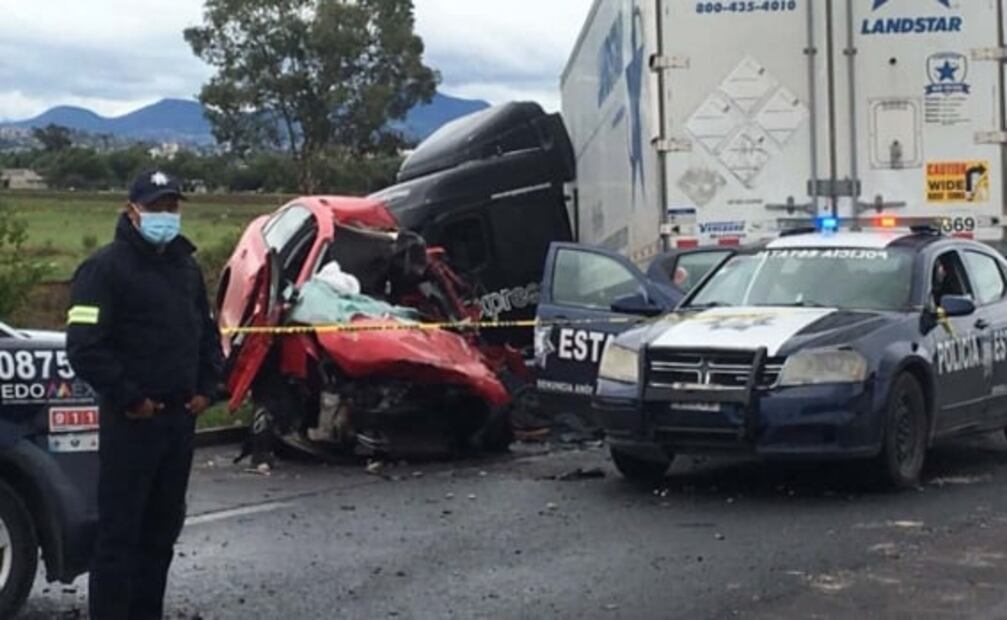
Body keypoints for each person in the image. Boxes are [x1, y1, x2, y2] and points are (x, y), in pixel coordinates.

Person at [66, 170, 224, 619]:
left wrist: (207, 388)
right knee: (120, 538)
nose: (165, 216)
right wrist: (129, 397)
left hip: (178, 422)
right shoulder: (104, 269)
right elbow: (84, 345)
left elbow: (205, 334)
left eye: (172, 207)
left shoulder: (185, 268)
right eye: (156, 207)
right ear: (132, 211)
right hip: (132, 423)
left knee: (160, 535)